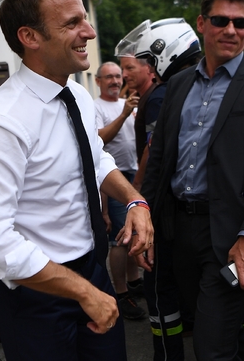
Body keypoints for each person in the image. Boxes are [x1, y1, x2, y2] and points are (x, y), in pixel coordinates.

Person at [0, 0, 154, 361]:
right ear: (29, 37)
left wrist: (135, 202)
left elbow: (96, 159)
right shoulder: (1, 121)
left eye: (84, 19)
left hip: (92, 270)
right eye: (72, 23)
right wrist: (83, 292)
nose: (89, 32)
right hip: (37, 296)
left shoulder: (79, 96)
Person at [139, 0, 244, 360]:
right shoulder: (177, 86)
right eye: (221, 20)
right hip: (177, 232)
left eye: (240, 23)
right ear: (201, 23)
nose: (231, 30)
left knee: (211, 346)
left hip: (230, 236)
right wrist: (145, 219)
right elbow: (160, 161)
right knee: (215, 333)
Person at [116, 18, 202, 360]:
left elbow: (154, 151)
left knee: (159, 291)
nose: (145, 69)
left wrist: (137, 198)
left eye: (148, 61)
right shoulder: (196, 87)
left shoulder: (162, 94)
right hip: (189, 214)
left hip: (165, 209)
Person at [93, 62, 146, 321]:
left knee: (133, 233)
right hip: (112, 178)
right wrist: (124, 114)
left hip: (133, 175)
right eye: (109, 77)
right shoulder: (96, 106)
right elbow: (99, 140)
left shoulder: (127, 102)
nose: (115, 81)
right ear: (98, 81)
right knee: (119, 238)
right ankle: (121, 293)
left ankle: (135, 282)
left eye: (117, 76)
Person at [116, 35, 157, 192]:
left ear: (148, 68)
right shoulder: (146, 97)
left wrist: (137, 184)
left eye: (130, 68)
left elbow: (151, 145)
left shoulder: (154, 97)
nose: (124, 75)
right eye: (123, 69)